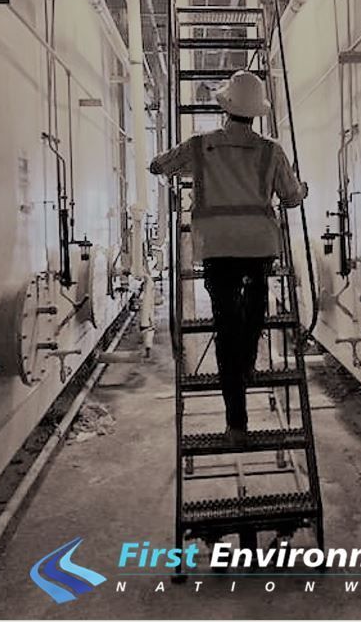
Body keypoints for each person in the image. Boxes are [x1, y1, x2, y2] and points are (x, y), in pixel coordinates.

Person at [149, 70, 307, 445]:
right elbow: (291, 198)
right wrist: (303, 189)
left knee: (225, 326)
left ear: (225, 108)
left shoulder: (200, 145)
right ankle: (248, 361)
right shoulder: (272, 150)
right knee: (252, 316)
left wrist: (185, 170)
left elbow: (158, 166)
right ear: (255, 113)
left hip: (218, 249)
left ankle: (236, 422)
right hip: (258, 249)